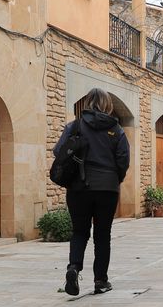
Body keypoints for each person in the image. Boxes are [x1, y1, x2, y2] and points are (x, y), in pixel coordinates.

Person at [53, 88, 130, 295]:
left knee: (79, 232)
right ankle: (100, 281)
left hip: (78, 187)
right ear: (107, 104)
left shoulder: (75, 126)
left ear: (88, 103)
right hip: (107, 188)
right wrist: (116, 179)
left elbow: (58, 151)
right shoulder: (116, 129)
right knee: (103, 235)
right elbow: (123, 159)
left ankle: (73, 268)